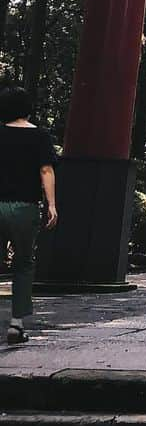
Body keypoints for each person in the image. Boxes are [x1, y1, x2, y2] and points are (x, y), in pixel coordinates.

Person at [0, 86, 58, 345]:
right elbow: (46, 171)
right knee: (23, 264)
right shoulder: (40, 136)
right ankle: (16, 324)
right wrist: (52, 204)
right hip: (25, 206)